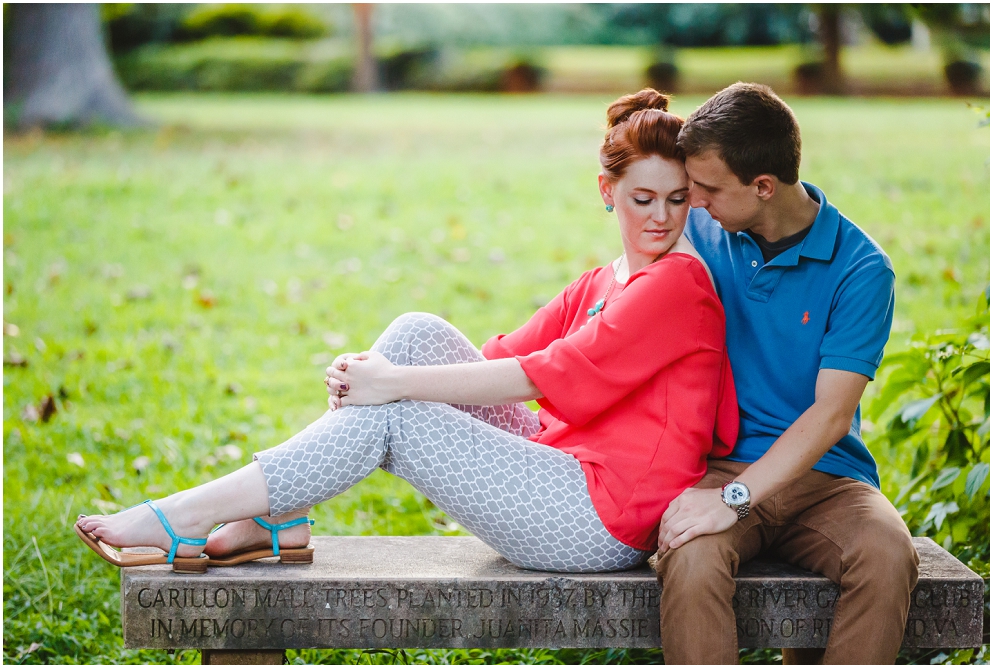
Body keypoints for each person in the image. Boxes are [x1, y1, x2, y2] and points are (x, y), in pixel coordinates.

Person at [75, 89, 739, 576]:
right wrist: (389, 373)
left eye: (677, 200)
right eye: (641, 199)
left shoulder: (676, 284)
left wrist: (388, 385)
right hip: (565, 465)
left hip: (604, 520)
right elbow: (497, 360)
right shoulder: (604, 280)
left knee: (399, 415)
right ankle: (274, 517)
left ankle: (185, 514)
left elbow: (540, 375)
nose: (660, 217)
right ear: (606, 191)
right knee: (417, 331)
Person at [654, 82, 919, 665]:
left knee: (887, 552)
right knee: (692, 557)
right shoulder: (699, 231)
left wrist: (739, 496)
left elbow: (831, 414)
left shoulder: (861, 268)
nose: (692, 200)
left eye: (709, 188)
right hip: (715, 462)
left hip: (824, 478)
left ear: (763, 187)